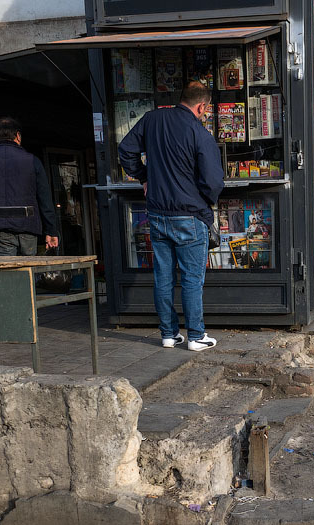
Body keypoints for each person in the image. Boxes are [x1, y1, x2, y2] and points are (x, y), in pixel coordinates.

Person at [118, 82, 224, 351]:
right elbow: (213, 182)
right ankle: (196, 336)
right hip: (189, 215)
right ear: (202, 107)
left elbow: (126, 150)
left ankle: (168, 334)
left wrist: (144, 177)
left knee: (163, 277)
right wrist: (203, 201)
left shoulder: (152, 119)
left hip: (157, 213)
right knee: (191, 279)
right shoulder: (200, 134)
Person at [0, 117, 59, 256]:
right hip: (28, 228)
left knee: (6, 275)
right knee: (28, 273)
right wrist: (51, 230)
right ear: (18, 136)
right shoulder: (32, 160)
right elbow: (45, 198)